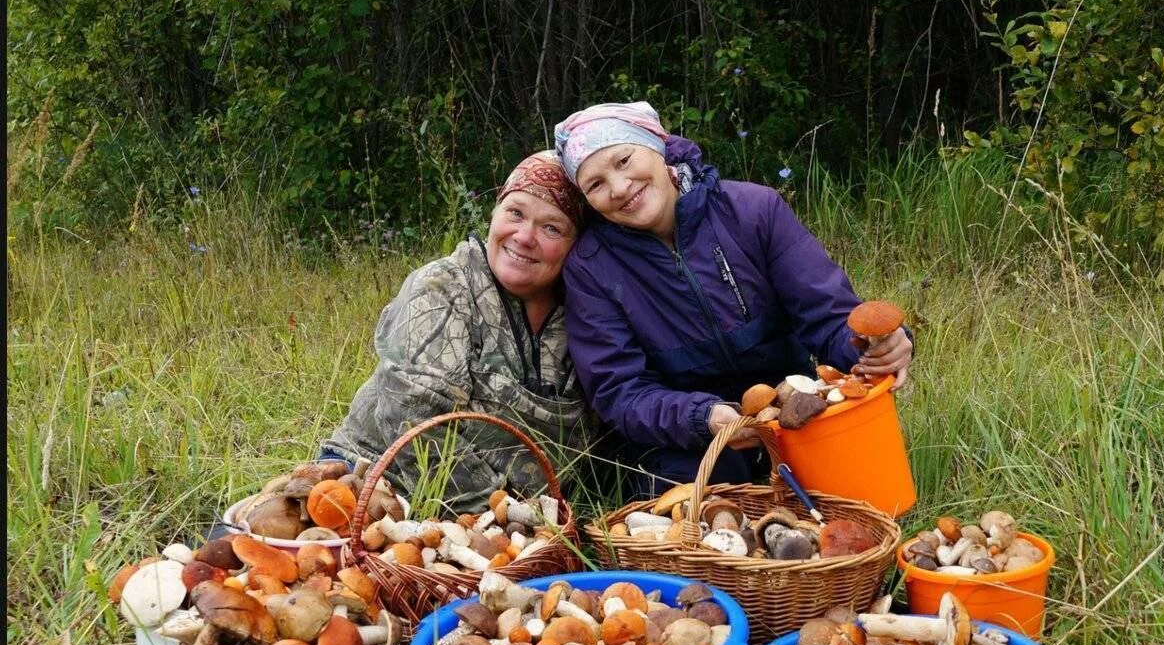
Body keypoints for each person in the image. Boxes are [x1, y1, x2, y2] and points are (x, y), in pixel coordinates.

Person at [553, 102, 913, 498]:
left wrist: (873, 347)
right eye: (595, 184)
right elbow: (619, 390)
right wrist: (702, 417)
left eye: (624, 159)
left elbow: (828, 315)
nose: (619, 188)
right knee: (699, 514)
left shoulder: (754, 211)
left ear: (656, 144)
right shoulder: (590, 268)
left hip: (793, 410)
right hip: (688, 439)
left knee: (861, 498)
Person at [319, 150, 595, 513]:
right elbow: (413, 421)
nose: (525, 236)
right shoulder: (442, 288)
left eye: (551, 228)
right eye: (515, 213)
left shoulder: (587, 313)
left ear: (577, 245)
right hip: (374, 483)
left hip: (518, 514)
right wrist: (505, 519)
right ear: (494, 215)